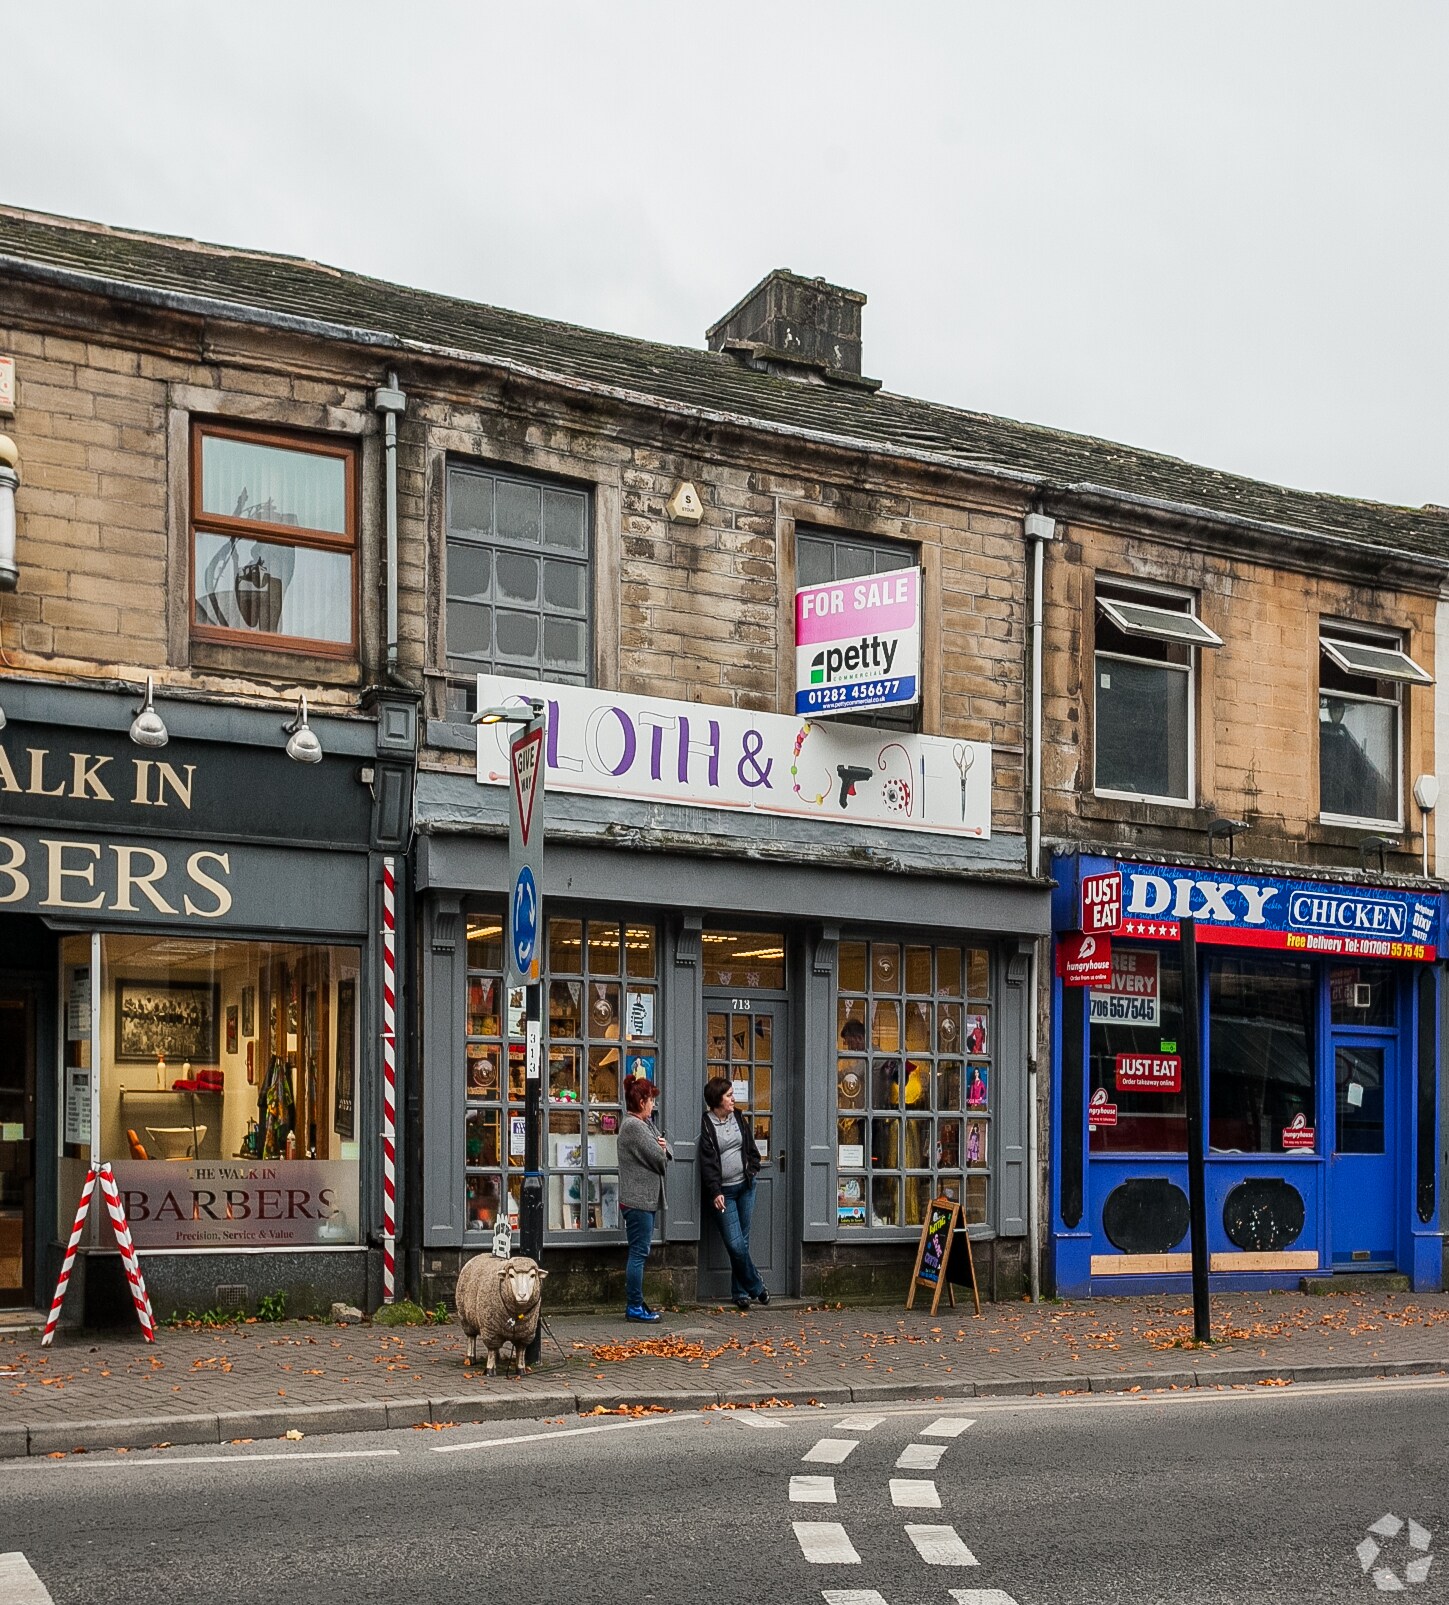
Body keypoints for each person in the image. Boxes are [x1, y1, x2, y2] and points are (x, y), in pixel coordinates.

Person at [698, 1076, 768, 1312]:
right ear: (717, 1100)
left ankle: (740, 1293)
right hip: (724, 1194)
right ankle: (757, 1287)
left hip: (746, 1186)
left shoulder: (738, 1116)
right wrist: (715, 1191)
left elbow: (749, 1146)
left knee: (743, 1241)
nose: (733, 1099)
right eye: (728, 1095)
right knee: (736, 1245)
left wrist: (754, 1167)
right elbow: (707, 1162)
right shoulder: (707, 1124)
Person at [618, 1076, 670, 1322]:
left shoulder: (645, 1123)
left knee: (639, 1252)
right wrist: (662, 1149)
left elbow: (667, 1149)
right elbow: (661, 1159)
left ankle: (637, 1303)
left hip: (643, 1199)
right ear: (641, 1101)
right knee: (639, 1253)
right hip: (637, 1200)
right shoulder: (635, 1127)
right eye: (651, 1100)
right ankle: (634, 1307)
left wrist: (663, 1147)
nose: (653, 1105)